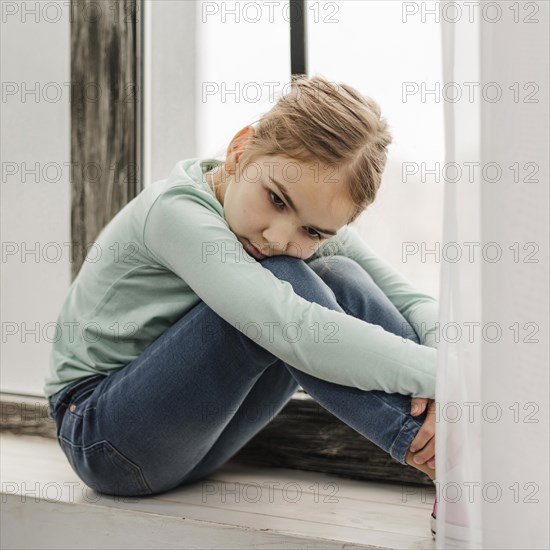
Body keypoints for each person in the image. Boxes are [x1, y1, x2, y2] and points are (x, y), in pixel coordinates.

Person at [44, 75, 438, 536]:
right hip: (102, 435)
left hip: (196, 444)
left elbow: (410, 301)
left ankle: (448, 436)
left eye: (313, 231)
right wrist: (455, 379)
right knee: (282, 286)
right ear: (239, 151)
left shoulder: (291, 233)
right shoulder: (175, 212)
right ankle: (447, 456)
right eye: (275, 199)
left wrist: (450, 383)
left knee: (340, 274)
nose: (277, 236)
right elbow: (299, 331)